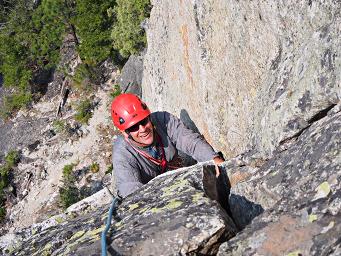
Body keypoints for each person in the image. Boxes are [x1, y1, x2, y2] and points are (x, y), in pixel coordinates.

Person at [111, 93, 224, 198]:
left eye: (144, 121)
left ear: (149, 117)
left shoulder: (163, 120)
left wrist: (213, 159)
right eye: (133, 127)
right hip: (152, 195)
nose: (143, 129)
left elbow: (189, 141)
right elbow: (130, 189)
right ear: (125, 133)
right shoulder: (122, 154)